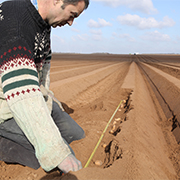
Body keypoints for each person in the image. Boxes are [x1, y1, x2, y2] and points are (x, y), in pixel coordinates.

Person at [0, 0, 89, 174]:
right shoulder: (15, 17)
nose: (71, 23)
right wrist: (55, 152)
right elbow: (21, 88)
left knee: (76, 135)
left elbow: (41, 78)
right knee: (49, 158)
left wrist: (49, 105)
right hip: (6, 103)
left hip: (29, 95)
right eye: (72, 15)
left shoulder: (44, 25)